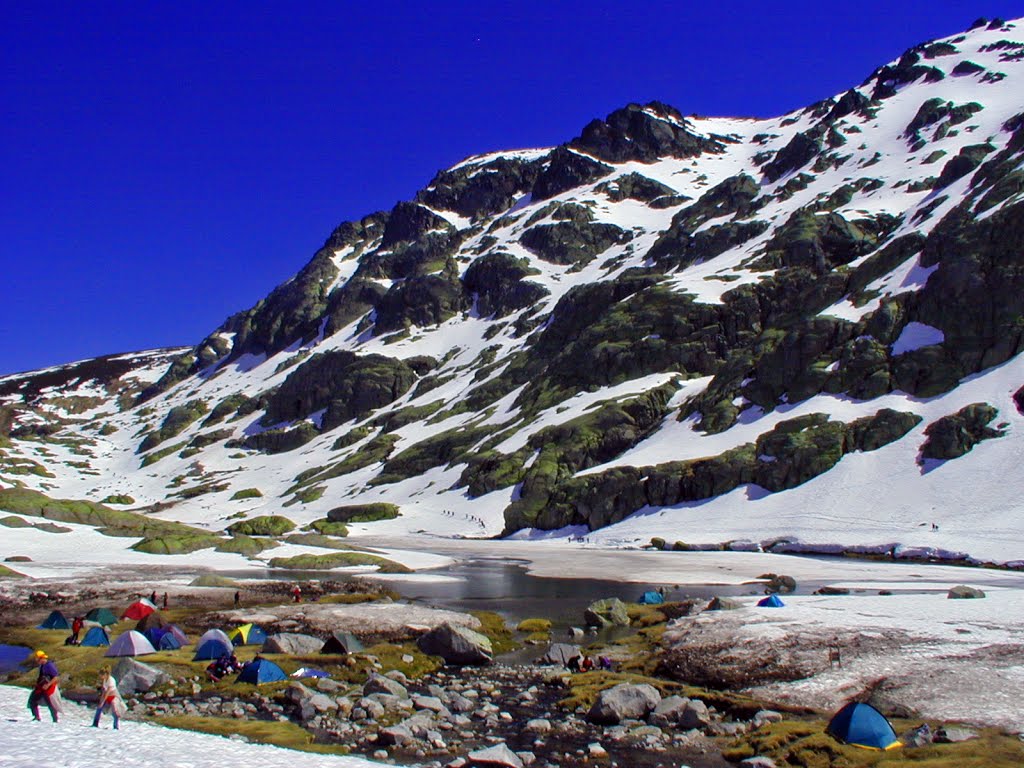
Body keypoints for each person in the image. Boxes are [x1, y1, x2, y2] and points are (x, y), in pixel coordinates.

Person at [27, 650, 61, 723]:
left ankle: (55, 719)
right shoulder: (42, 665)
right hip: (41, 687)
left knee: (50, 703)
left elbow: (56, 677)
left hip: (48, 687)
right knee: (33, 700)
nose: (36, 660)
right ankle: (36, 717)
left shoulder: (49, 665)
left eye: (38, 659)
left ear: (41, 658)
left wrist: (48, 685)